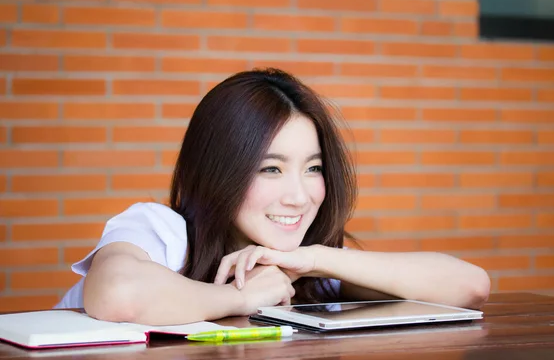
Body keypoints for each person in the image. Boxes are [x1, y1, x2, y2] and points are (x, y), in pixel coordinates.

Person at [55, 68, 490, 325]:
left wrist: (318, 258)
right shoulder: (159, 230)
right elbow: (118, 295)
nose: (299, 196)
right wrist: (244, 298)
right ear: (219, 170)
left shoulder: (304, 262)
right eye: (271, 169)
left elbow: (471, 287)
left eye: (313, 168)